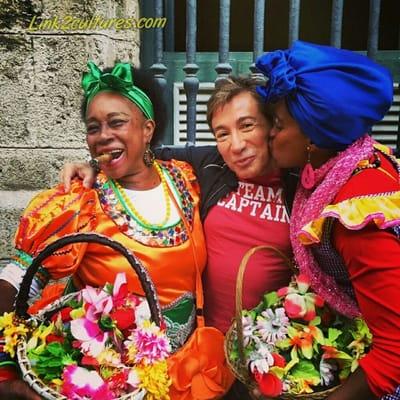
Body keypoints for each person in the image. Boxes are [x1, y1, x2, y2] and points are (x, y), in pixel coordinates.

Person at [0, 61, 235, 399]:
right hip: (115, 385)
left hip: (188, 373)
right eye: (93, 127)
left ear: (148, 129)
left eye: (117, 122)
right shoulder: (77, 200)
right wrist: (5, 377)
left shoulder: (185, 179)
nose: (103, 136)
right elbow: (16, 283)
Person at [61, 76, 297, 400]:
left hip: (269, 359)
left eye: (247, 126)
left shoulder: (300, 187)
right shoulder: (209, 165)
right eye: (222, 133)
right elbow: (139, 153)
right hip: (205, 356)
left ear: (271, 126)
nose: (236, 144)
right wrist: (91, 165)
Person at [255, 40, 400, 399]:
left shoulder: (357, 215)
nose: (269, 134)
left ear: (313, 137)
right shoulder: (353, 158)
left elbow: (396, 351)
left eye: (277, 124)